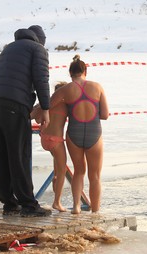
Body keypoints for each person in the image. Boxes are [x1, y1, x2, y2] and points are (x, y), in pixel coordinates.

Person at [0, 25, 52, 217]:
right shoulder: (38, 49)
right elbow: (41, 79)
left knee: (0, 154)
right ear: (41, 40)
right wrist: (45, 109)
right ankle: (29, 205)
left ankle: (9, 203)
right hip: (14, 104)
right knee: (18, 154)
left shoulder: (9, 48)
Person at [45, 55, 109, 214]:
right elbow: (105, 115)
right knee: (95, 176)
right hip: (94, 133)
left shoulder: (66, 89)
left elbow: (47, 106)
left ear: (70, 73)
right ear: (85, 71)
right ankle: (95, 211)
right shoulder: (97, 87)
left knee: (79, 171)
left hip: (74, 134)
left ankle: (76, 207)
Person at [31, 82, 68, 212]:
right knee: (63, 170)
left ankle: (55, 178)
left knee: (57, 167)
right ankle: (57, 202)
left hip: (44, 138)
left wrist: (38, 106)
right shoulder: (65, 105)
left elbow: (36, 118)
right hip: (56, 140)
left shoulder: (46, 104)